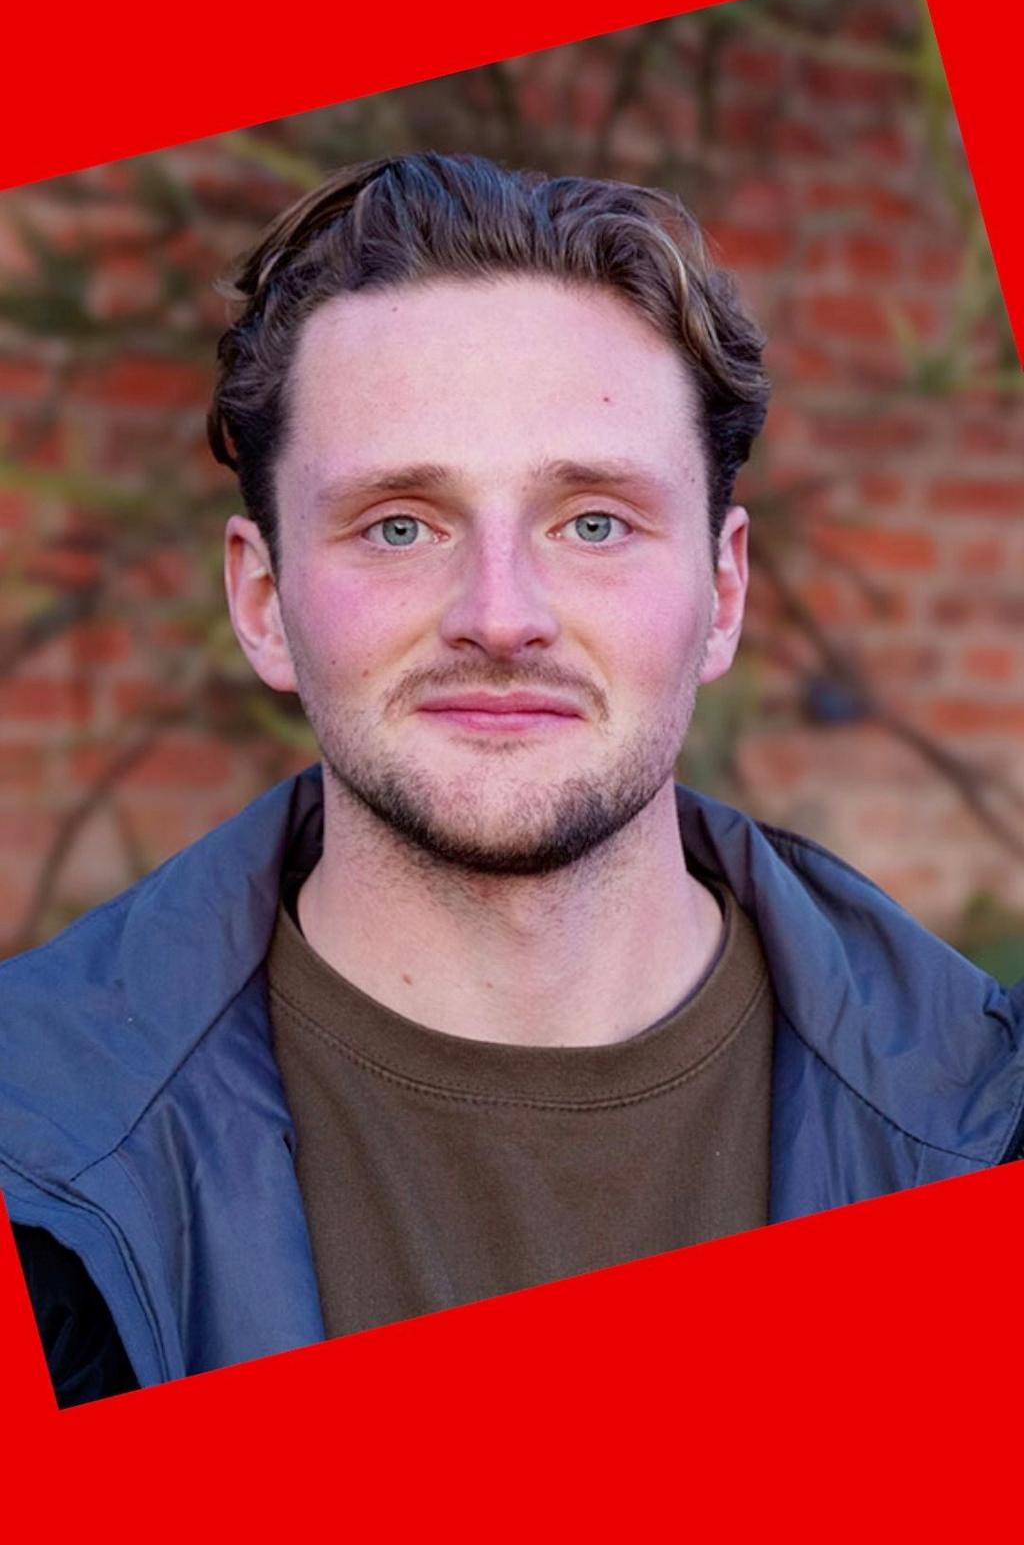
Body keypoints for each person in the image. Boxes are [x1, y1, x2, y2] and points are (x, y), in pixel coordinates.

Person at [4, 153, 1022, 1409]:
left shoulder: (988, 1117)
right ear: (262, 602)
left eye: (592, 522)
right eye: (399, 524)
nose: (500, 615)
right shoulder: (35, 1150)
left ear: (724, 591)